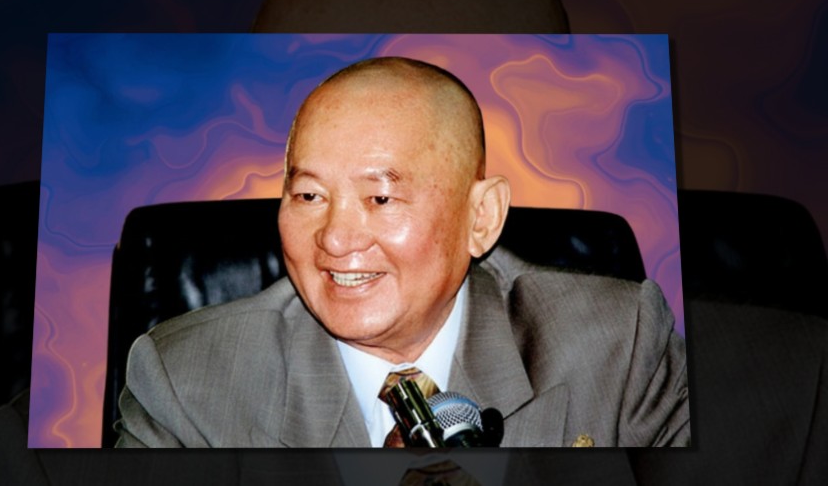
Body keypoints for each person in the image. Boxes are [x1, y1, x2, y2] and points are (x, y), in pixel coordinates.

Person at [114, 56, 689, 448]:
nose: (335, 239)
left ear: (481, 218)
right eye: (309, 196)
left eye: (381, 198)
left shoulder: (619, 346)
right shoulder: (187, 381)